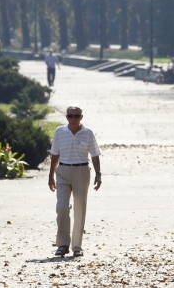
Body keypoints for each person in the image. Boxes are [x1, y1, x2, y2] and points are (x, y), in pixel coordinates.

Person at [48, 106, 102, 258]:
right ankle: (63, 244)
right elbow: (54, 154)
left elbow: (95, 154)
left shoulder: (88, 133)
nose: (73, 119)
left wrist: (98, 174)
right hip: (63, 171)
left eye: (76, 116)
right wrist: (51, 175)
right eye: (70, 116)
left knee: (80, 208)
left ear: (81, 117)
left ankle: (77, 245)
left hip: (81, 171)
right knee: (62, 207)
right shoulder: (60, 132)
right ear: (66, 117)